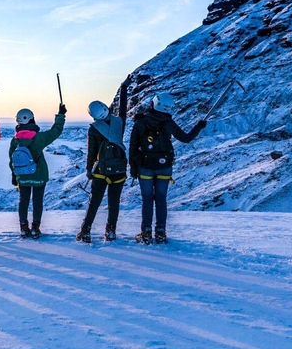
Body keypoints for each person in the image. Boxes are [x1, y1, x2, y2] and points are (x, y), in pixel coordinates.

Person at [129, 92, 207, 244]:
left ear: (154, 104)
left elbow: (133, 147)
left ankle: (146, 232)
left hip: (145, 166)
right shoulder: (168, 123)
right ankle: (160, 232)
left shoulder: (141, 122)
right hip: (164, 166)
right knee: (161, 198)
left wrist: (133, 168)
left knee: (147, 199)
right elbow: (186, 138)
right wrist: (199, 127)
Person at [77, 75, 131, 244]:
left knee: (94, 201)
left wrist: (88, 170)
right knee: (114, 202)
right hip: (119, 170)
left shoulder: (94, 129)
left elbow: (91, 152)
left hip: (100, 171)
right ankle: (111, 231)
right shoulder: (119, 122)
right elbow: (123, 109)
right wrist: (123, 89)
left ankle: (85, 231)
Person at [9, 104, 66, 239]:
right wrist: (61, 115)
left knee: (23, 201)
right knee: (37, 201)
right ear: (31, 119)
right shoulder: (38, 138)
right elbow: (56, 131)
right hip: (39, 176)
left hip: (22, 176)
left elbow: (12, 159)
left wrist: (14, 174)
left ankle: (23, 227)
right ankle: (35, 228)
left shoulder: (15, 140)